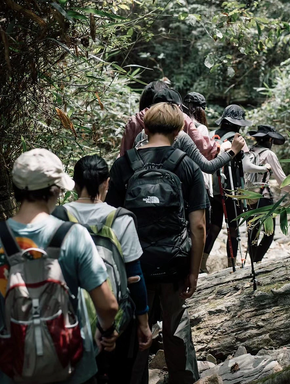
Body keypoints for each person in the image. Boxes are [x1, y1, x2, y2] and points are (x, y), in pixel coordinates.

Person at [107, 103, 208, 384]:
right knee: (176, 324)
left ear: (145, 128)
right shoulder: (187, 165)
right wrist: (193, 270)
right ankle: (184, 379)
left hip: (134, 263)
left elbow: (112, 220)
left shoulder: (123, 164)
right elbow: (198, 226)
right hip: (174, 262)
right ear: (178, 131)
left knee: (136, 329)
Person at [0, 148, 119, 384]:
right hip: (74, 368)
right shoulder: (73, 235)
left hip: (13, 370)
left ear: (16, 189)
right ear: (56, 190)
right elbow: (108, 306)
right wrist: (106, 331)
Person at [53, 155, 152, 384]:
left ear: (75, 184)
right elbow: (135, 276)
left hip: (68, 319)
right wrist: (143, 323)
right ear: (106, 183)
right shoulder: (121, 219)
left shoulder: (58, 217)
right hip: (113, 320)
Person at [202, 105, 267, 271]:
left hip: (213, 188)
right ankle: (232, 265)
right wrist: (263, 168)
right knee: (233, 228)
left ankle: (202, 263)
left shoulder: (212, 135)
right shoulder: (237, 139)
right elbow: (246, 166)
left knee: (214, 227)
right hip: (231, 190)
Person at [246, 125, 290, 263]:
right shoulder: (269, 154)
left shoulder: (249, 151)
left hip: (247, 197)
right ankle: (257, 260)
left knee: (252, 231)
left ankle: (253, 262)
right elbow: (282, 179)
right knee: (269, 232)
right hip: (263, 198)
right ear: (270, 139)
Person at [119, 81, 219, 160]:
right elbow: (205, 149)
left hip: (139, 176)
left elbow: (124, 155)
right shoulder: (180, 117)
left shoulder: (134, 121)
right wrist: (220, 148)